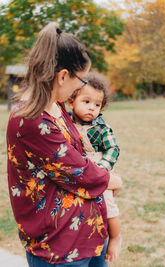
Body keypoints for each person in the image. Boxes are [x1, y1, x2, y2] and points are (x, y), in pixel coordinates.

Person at [6, 23, 122, 267]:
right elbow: (78, 172)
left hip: (88, 235)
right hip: (60, 247)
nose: (81, 86)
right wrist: (111, 180)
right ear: (62, 76)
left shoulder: (56, 105)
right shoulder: (32, 119)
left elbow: (77, 156)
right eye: (81, 80)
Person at [67, 71, 122, 262]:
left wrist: (103, 168)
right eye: (86, 102)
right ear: (71, 101)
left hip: (99, 170)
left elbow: (113, 148)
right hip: (79, 171)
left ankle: (114, 237)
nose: (92, 108)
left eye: (97, 105)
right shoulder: (66, 121)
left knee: (107, 204)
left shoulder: (101, 128)